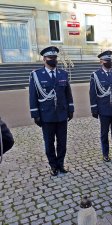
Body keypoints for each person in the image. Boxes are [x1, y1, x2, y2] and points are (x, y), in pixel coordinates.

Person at [29, 46, 74, 176]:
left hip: (61, 115)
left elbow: (68, 94)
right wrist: (35, 114)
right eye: (50, 58)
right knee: (49, 143)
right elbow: (33, 96)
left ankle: (60, 164)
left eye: (55, 58)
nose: (53, 60)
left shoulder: (63, 74)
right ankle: (53, 166)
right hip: (46, 115)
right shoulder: (36, 75)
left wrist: (70, 109)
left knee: (62, 142)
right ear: (44, 59)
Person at [89, 50, 112, 162]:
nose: (109, 62)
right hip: (103, 109)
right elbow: (92, 93)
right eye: (106, 60)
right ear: (101, 62)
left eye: (110, 60)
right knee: (104, 133)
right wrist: (94, 108)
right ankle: (105, 154)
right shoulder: (96, 75)